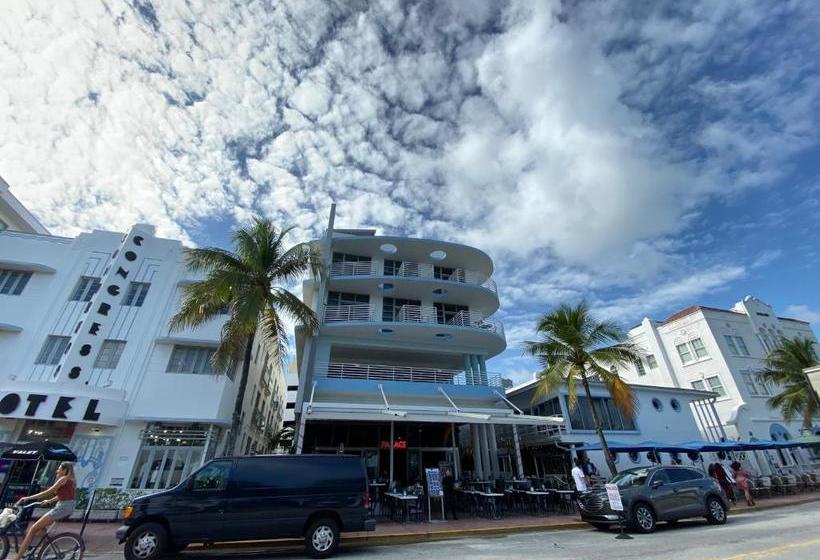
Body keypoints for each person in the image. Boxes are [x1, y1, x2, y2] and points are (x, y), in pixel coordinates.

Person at [13, 462, 77, 560]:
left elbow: (48, 491)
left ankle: (17, 558)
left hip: (62, 508)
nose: (57, 471)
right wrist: (49, 501)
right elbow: (64, 495)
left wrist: (27, 498)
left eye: (59, 469)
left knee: (32, 530)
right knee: (40, 529)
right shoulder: (70, 480)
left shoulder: (63, 479)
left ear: (65, 470)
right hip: (66, 507)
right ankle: (47, 549)